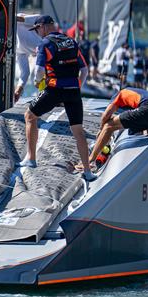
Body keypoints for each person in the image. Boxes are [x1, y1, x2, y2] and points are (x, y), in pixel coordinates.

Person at [22, 15, 92, 178]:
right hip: (73, 90)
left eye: (37, 29)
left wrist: (38, 83)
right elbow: (85, 70)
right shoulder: (71, 42)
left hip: (54, 89)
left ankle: (31, 159)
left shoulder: (45, 44)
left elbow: (38, 71)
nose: (37, 33)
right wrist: (77, 86)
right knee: (78, 130)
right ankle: (88, 172)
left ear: (45, 27)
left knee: (29, 116)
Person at [88, 87, 148, 169]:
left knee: (108, 126)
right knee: (136, 127)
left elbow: (106, 115)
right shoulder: (137, 93)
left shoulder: (119, 94)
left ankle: (91, 159)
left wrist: (101, 129)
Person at [14, 13, 44, 102]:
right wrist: (8, 16)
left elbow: (25, 72)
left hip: (17, 48)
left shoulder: (22, 50)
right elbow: (21, 19)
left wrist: (19, 90)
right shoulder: (38, 18)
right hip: (7, 28)